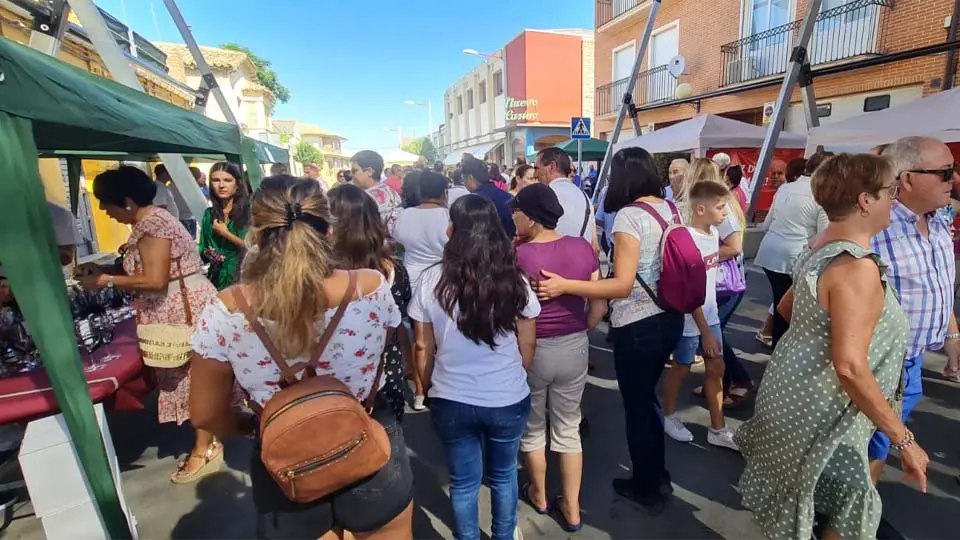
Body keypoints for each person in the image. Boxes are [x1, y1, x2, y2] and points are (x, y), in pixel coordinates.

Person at [188, 175, 413, 539]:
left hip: (286, 455)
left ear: (256, 234)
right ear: (328, 231)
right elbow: (385, 348)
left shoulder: (226, 309)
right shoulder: (370, 286)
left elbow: (204, 413)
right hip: (367, 432)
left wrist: (253, 425)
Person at [735, 153, 928, 540]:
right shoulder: (856, 267)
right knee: (841, 511)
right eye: (889, 192)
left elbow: (788, 307)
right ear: (864, 201)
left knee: (808, 508)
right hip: (827, 417)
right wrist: (903, 439)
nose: (895, 200)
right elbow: (851, 367)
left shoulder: (818, 248)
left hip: (796, 400)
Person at [534, 147, 683, 514]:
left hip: (638, 323)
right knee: (648, 400)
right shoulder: (669, 209)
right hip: (670, 316)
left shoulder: (630, 217)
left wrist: (567, 286)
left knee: (637, 406)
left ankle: (645, 485)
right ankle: (656, 473)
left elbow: (621, 285)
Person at [79, 166, 220, 483]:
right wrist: (107, 269)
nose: (104, 211)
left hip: (180, 314)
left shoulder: (154, 224)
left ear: (127, 201)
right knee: (196, 378)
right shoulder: (151, 221)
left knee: (193, 381)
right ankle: (208, 440)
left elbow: (155, 280)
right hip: (181, 308)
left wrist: (107, 280)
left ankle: (203, 449)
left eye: (106, 203)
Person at [410, 194, 539, 540]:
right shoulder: (515, 278)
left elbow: (422, 346)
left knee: (463, 482)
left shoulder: (429, 280)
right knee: (504, 475)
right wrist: (519, 371)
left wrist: (426, 387)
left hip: (451, 397)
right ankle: (502, 534)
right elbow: (528, 339)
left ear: (452, 230)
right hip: (507, 395)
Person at [511, 184, 606, 532]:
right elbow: (599, 302)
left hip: (532, 348)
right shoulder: (581, 247)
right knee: (568, 428)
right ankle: (573, 508)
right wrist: (582, 329)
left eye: (517, 211)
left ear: (532, 218)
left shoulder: (519, 256)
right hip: (574, 345)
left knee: (533, 425)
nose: (513, 216)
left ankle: (539, 494)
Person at [869, 136, 959, 482]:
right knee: (873, 440)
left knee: (876, 440)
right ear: (906, 179)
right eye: (945, 172)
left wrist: (952, 335)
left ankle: (853, 514)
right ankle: (845, 521)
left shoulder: (936, 220)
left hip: (913, 359)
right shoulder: (874, 224)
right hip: (878, 363)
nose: (954, 179)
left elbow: (935, 285)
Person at [659, 180, 739, 450]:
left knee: (717, 366)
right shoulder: (687, 238)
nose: (726, 211)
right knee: (681, 367)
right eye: (720, 207)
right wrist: (704, 329)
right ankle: (668, 415)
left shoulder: (713, 236)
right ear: (701, 209)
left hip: (710, 314)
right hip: (689, 320)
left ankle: (718, 427)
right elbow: (689, 288)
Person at [328, 183, 412, 423]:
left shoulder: (316, 274)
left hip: (328, 376)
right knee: (383, 445)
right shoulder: (392, 270)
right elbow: (399, 319)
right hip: (384, 369)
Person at [753, 151, 832, 346]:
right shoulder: (821, 195)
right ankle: (784, 355)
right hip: (796, 256)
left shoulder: (785, 189)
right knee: (795, 310)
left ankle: (778, 350)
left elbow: (766, 224)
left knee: (782, 304)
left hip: (770, 252)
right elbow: (825, 235)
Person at [198, 162, 250, 290]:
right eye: (216, 180)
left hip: (243, 277)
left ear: (237, 184)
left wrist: (226, 234)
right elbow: (202, 247)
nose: (221, 185)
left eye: (227, 180)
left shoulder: (249, 213)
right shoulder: (208, 214)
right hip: (216, 278)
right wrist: (209, 253)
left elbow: (254, 247)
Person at [535, 148, 596, 247]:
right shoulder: (585, 198)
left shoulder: (543, 196)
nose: (535, 174)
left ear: (551, 166)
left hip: (550, 260)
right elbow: (595, 246)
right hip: (581, 259)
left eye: (537, 168)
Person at [462, 157, 515, 238]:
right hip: (508, 245)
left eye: (463, 180)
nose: (464, 184)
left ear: (470, 178)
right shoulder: (508, 196)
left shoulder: (472, 202)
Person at [351, 150, 402, 232]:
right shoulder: (393, 193)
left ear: (369, 171)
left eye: (355, 171)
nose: (351, 175)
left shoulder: (364, 198)